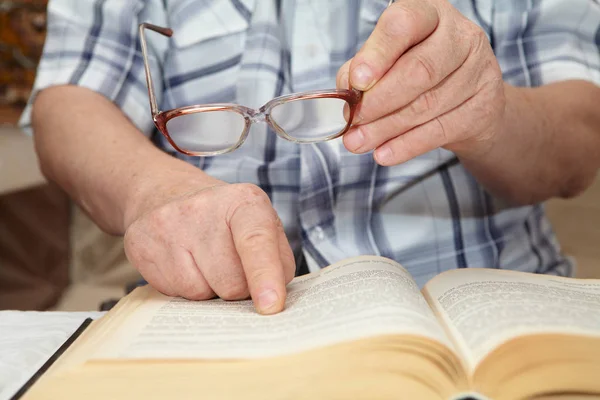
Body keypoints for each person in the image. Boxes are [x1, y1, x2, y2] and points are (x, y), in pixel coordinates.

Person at [21, 0, 600, 315]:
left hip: (481, 317)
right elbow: (69, 102)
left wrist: (487, 112)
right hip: (211, 317)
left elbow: (580, 137)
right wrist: (155, 190)